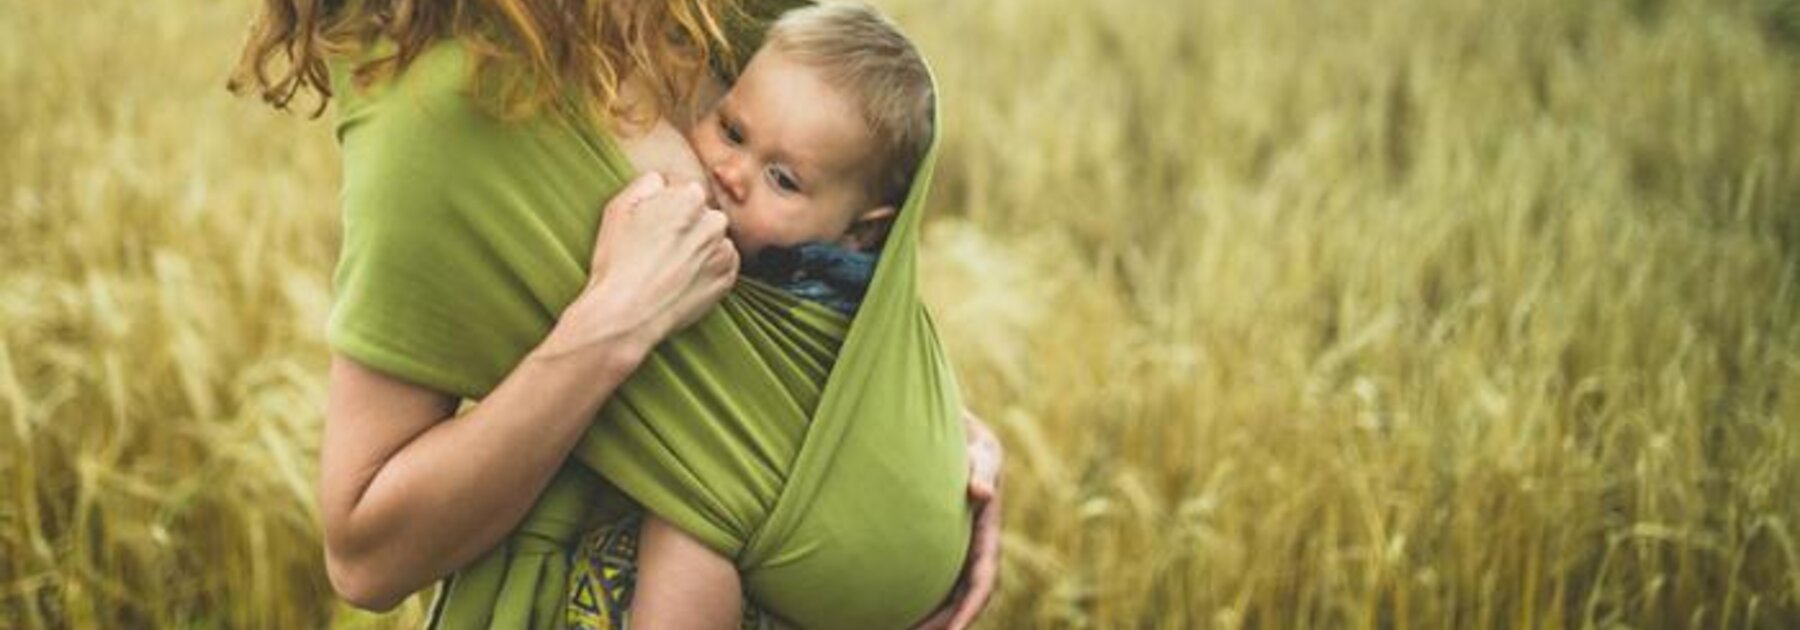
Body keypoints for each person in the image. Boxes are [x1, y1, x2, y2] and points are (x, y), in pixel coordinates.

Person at [228, 0, 1002, 628]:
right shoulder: (435, 116)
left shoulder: (711, 18)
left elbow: (832, 269)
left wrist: (918, 436)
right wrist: (613, 324)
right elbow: (364, 554)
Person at [562, 4, 956, 628]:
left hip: (795, 517)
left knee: (694, 516)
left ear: (858, 232)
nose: (730, 173)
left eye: (782, 179)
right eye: (732, 131)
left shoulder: (821, 292)